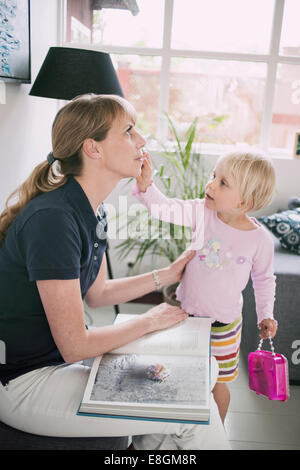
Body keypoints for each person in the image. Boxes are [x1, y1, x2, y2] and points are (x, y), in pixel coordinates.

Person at [0, 93, 230, 450]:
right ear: (93, 148)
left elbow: (99, 292)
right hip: (27, 381)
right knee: (192, 413)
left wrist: (169, 274)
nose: (142, 141)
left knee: (205, 373)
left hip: (57, 361)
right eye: (128, 131)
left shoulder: (93, 210)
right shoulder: (53, 221)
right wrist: (150, 321)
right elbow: (76, 344)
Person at [134, 149, 278, 424]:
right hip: (185, 315)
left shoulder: (259, 240)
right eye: (214, 176)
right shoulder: (202, 213)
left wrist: (266, 315)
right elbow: (166, 208)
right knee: (176, 372)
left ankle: (215, 436)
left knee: (218, 384)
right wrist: (146, 186)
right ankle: (174, 426)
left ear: (244, 200)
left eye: (222, 182)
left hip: (223, 325)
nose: (210, 184)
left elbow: (264, 280)